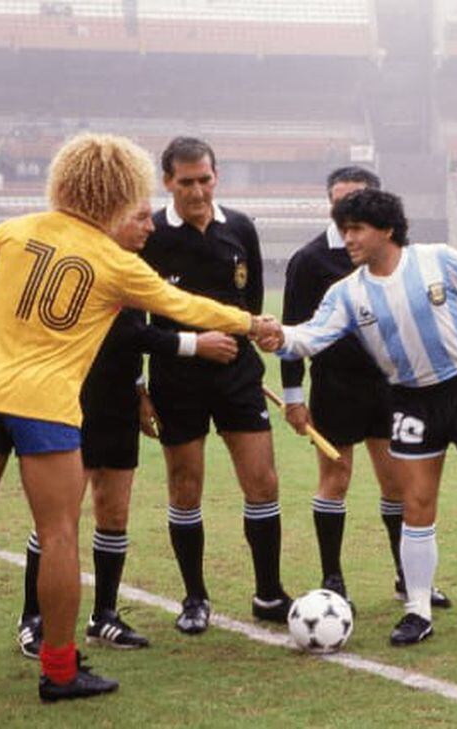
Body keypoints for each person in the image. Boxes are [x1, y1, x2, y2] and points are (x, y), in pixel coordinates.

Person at [0, 132, 281, 701]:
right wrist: (251, 323)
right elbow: (189, 308)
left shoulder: (9, 232)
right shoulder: (116, 263)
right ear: (117, 191)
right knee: (61, 532)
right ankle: (60, 670)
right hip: (46, 410)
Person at [269, 188, 457, 646]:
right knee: (417, 507)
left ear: (386, 230)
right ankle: (417, 610)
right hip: (409, 402)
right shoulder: (346, 293)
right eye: (343, 229)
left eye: (357, 229)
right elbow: (309, 337)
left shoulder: (437, 260)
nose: (347, 238)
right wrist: (274, 336)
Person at [16, 313, 239, 657]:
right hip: (73, 394)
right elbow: (129, 332)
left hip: (119, 399)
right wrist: (196, 343)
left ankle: (104, 616)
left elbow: (131, 335)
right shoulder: (94, 267)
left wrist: (139, 390)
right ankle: (33, 618)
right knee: (59, 515)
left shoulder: (132, 273)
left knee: (114, 510)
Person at [280, 166, 451, 608]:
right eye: (340, 201)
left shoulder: (395, 254)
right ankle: (332, 577)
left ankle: (406, 576)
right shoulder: (309, 260)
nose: (348, 210)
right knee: (335, 479)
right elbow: (293, 333)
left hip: (391, 386)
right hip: (335, 387)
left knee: (397, 484)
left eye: (358, 199)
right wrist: (294, 398)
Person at [139, 136, 290, 634]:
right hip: (176, 377)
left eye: (206, 179)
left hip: (238, 376)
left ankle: (269, 592)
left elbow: (251, 303)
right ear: (168, 182)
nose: (198, 191)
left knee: (263, 481)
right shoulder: (151, 234)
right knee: (186, 487)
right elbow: (137, 322)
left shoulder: (241, 227)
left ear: (216, 176)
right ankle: (194, 598)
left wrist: (259, 333)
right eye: (187, 182)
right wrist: (191, 344)